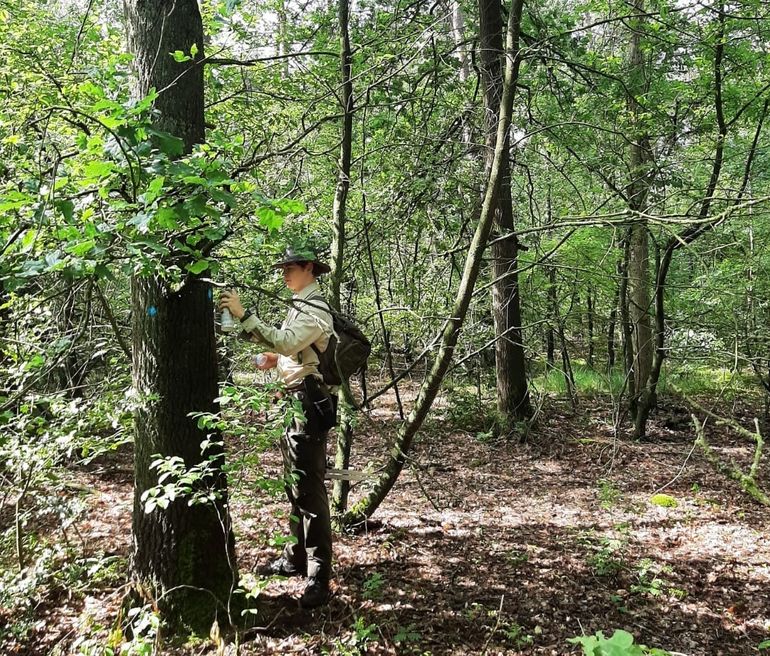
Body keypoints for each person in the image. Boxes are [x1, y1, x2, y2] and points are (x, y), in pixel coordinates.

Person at [219, 245, 335, 609]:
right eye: (283, 267)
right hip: (295, 401)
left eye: (290, 267)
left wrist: (242, 314)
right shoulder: (300, 305)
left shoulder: (315, 308)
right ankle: (295, 557)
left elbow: (288, 339)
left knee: (309, 490)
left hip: (308, 404)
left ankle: (318, 576)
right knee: (294, 485)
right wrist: (278, 358)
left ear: (309, 268)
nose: (284, 273)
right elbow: (293, 347)